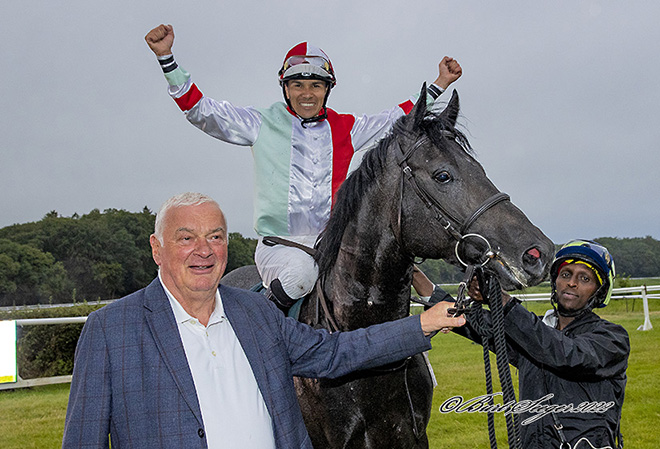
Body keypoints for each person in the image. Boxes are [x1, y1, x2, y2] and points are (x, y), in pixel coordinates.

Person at [62, 192, 466, 449]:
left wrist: (424, 324)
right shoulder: (109, 330)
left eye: (216, 236)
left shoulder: (255, 311)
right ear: (157, 248)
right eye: (187, 238)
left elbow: (335, 352)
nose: (204, 250)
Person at [144, 24, 463, 310]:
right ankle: (258, 330)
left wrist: (440, 83)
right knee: (301, 277)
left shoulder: (346, 128)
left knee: (389, 266)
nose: (307, 93)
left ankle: (422, 349)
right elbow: (202, 111)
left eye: (316, 85)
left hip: (334, 243)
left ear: (327, 89)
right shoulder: (260, 123)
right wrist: (167, 60)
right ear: (285, 88)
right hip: (282, 248)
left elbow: (400, 118)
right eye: (298, 85)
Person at [453, 239, 629, 449]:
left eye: (585, 278)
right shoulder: (534, 333)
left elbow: (566, 354)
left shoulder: (613, 338)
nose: (572, 283)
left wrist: (502, 301)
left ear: (598, 291)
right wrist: (419, 281)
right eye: (566, 274)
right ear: (555, 282)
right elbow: (476, 322)